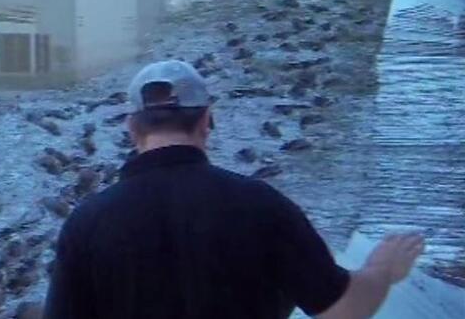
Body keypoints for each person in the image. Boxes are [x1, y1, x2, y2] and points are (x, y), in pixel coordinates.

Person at [44, 60, 426, 319]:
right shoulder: (262, 205)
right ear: (206, 122)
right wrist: (382, 269)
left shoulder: (86, 223)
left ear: (132, 128)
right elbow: (343, 310)